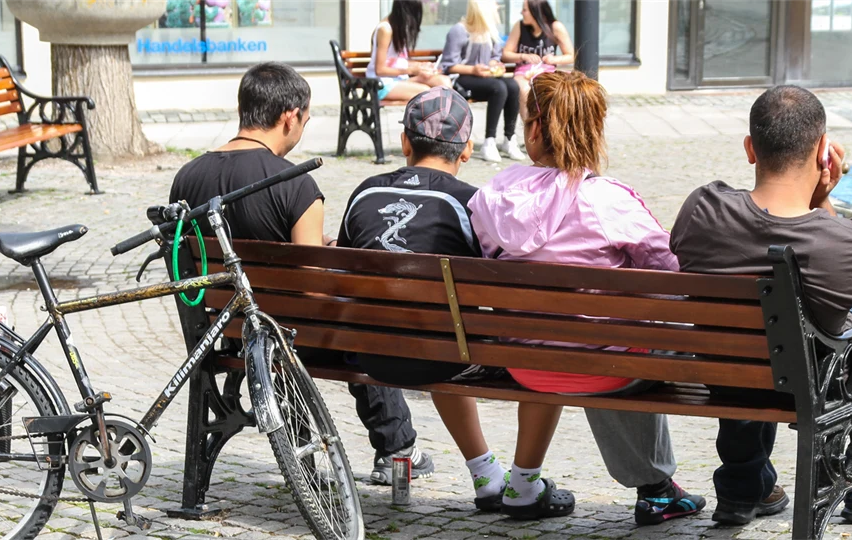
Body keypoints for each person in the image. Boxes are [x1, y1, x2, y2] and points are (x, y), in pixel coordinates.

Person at [669, 85, 852, 525]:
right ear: (823, 152)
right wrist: (823, 201)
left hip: (726, 372)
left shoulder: (701, 208)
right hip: (812, 383)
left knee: (747, 339)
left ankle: (744, 489)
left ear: (749, 149)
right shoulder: (850, 240)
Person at [169, 61, 435, 486]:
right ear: (289, 116)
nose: (301, 131)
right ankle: (397, 447)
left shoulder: (187, 177)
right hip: (288, 336)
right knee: (362, 324)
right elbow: (313, 286)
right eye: (305, 121)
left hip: (226, 332)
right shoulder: (295, 185)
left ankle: (310, 460)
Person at [467, 70, 706, 526]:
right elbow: (674, 274)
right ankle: (658, 490)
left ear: (535, 129)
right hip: (605, 368)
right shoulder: (611, 202)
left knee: (595, 336)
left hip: (525, 361)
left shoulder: (491, 198)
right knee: (623, 337)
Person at [338, 86, 574, 521]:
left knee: (440, 333)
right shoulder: (475, 203)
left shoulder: (363, 193)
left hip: (371, 356)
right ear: (467, 150)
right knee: (534, 345)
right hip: (445, 358)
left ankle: (486, 475)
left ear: (405, 142)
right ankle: (521, 483)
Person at [441, 0, 524, 163]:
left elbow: (494, 57)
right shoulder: (459, 30)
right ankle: (489, 141)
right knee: (498, 87)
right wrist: (473, 70)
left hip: (484, 76)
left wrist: (494, 65)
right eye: (494, 3)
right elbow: (448, 65)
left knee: (513, 86)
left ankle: (509, 138)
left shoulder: (489, 31)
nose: (497, 7)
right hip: (462, 78)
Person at [500, 0, 574, 119]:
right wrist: (522, 56)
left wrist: (554, 59)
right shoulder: (520, 26)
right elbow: (505, 54)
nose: (521, 12)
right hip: (524, 72)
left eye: (524, 10)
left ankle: (550, 125)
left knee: (555, 91)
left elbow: (570, 56)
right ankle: (528, 127)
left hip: (547, 71)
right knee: (524, 90)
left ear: (536, 11)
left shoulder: (555, 27)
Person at [368, 0, 451, 102]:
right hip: (382, 84)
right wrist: (412, 71)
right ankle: (434, 117)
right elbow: (379, 70)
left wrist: (420, 66)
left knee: (444, 82)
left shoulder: (398, 28)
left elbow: (397, 61)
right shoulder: (385, 30)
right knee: (426, 92)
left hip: (399, 80)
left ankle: (446, 117)